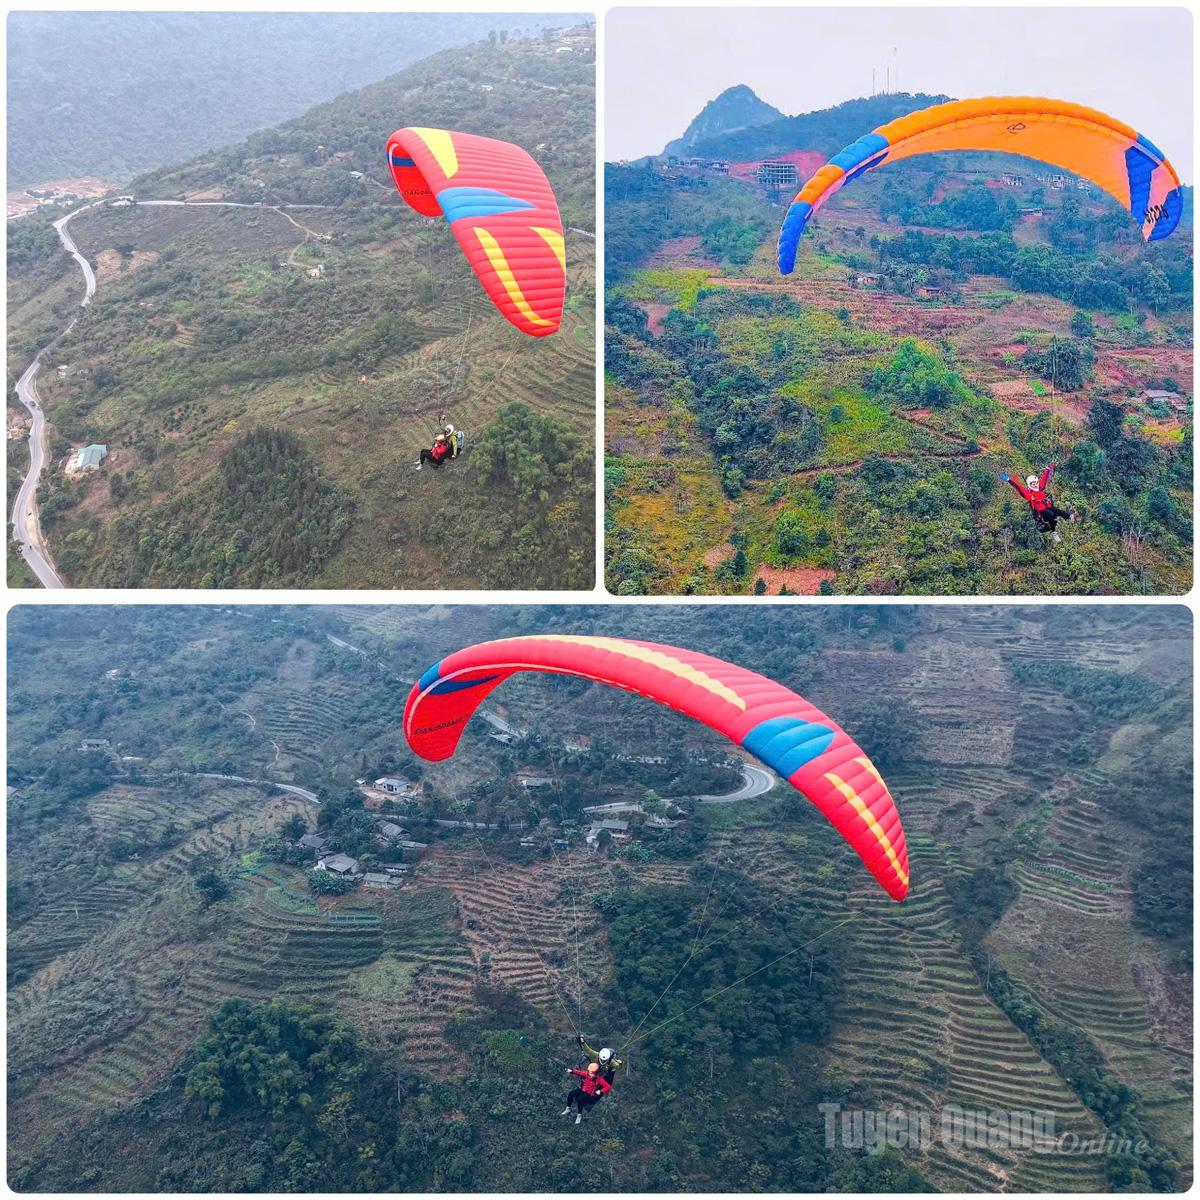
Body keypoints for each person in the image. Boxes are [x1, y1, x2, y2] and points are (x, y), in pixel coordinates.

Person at [1000, 462, 1078, 543]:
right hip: (1040, 511)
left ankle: (1070, 516)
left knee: (1058, 511)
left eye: (1035, 483)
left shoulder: (1040, 487)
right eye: (1032, 484)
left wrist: (1048, 469)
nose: (1035, 485)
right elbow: (1018, 487)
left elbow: (1044, 479)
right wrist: (1009, 480)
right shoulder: (1029, 494)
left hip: (1047, 506)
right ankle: (1054, 532)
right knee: (1051, 515)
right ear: (1030, 485)